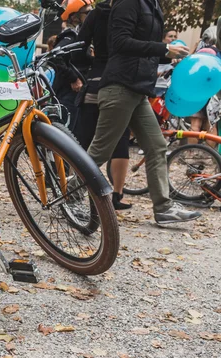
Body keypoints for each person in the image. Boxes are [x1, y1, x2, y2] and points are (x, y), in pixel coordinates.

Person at [86, 0, 201, 225]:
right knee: (99, 152)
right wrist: (164, 48)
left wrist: (169, 56)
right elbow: (120, 43)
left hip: (138, 90)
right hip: (119, 87)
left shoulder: (152, 5)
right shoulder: (128, 2)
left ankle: (163, 208)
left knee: (157, 146)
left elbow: (143, 49)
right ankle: (68, 194)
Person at [73, 0, 132, 210]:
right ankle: (117, 194)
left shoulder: (98, 13)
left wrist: (93, 60)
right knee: (120, 139)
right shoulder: (134, 11)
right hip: (124, 83)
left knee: (86, 143)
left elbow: (78, 49)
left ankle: (75, 192)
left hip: (98, 82)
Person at [50, 0, 93, 132]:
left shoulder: (80, 35)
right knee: (64, 134)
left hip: (75, 93)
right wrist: (73, 78)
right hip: (67, 93)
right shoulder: (70, 36)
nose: (91, 15)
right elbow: (55, 56)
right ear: (74, 17)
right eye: (88, 12)